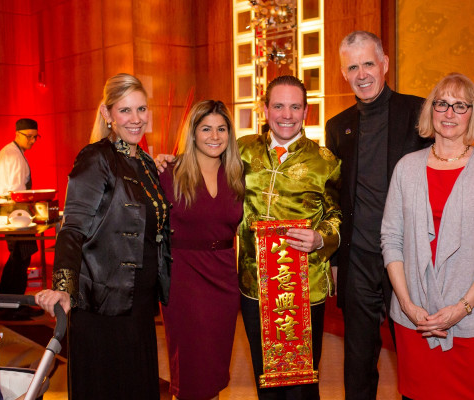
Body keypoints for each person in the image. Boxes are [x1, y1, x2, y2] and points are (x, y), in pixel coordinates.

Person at [34, 73, 171, 400]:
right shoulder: (96, 158)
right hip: (101, 308)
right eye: (125, 111)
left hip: (138, 304)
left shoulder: (146, 164)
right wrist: (64, 289)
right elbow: (72, 229)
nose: (136, 119)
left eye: (142, 109)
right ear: (108, 115)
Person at [380, 72, 474, 400]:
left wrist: (462, 307)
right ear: (431, 111)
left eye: (459, 106)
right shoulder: (406, 168)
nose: (449, 113)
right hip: (416, 321)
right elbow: (390, 239)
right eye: (442, 104)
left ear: (473, 114)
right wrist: (409, 306)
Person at [324, 30, 429, 399]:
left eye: (369, 63)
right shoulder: (337, 127)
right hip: (359, 260)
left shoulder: (419, 112)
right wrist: (336, 260)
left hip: (409, 259)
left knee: (415, 354)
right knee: (357, 360)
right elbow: (334, 197)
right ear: (343, 73)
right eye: (353, 67)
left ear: (384, 64)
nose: (362, 73)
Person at [238, 75, 341, 399]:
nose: (286, 114)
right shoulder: (240, 150)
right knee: (265, 378)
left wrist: (321, 238)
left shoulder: (325, 162)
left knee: (302, 382)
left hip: (304, 285)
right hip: (254, 284)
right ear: (265, 109)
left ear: (306, 112)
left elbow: (338, 215)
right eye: (279, 106)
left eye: (295, 107)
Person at [159, 100, 244, 400]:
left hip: (224, 280)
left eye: (221, 129)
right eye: (206, 128)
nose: (214, 136)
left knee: (214, 368)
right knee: (190, 368)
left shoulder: (238, 174)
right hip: (184, 280)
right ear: (192, 133)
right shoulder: (169, 171)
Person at [0, 118, 40, 296]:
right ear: (17, 134)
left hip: (10, 209)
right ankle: (13, 304)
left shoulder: (8, 151)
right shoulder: (13, 155)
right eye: (29, 136)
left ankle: (4, 297)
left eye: (35, 137)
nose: (32, 141)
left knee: (18, 257)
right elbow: (16, 191)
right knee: (21, 257)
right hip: (16, 210)